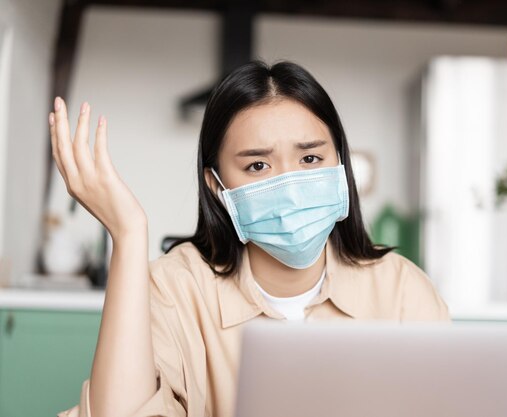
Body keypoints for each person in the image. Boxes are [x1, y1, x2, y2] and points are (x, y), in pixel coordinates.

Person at [53, 60, 449, 417]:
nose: (289, 185)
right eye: (258, 165)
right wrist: (128, 233)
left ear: (340, 164)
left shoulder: (402, 289)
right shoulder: (175, 289)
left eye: (310, 159)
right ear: (217, 186)